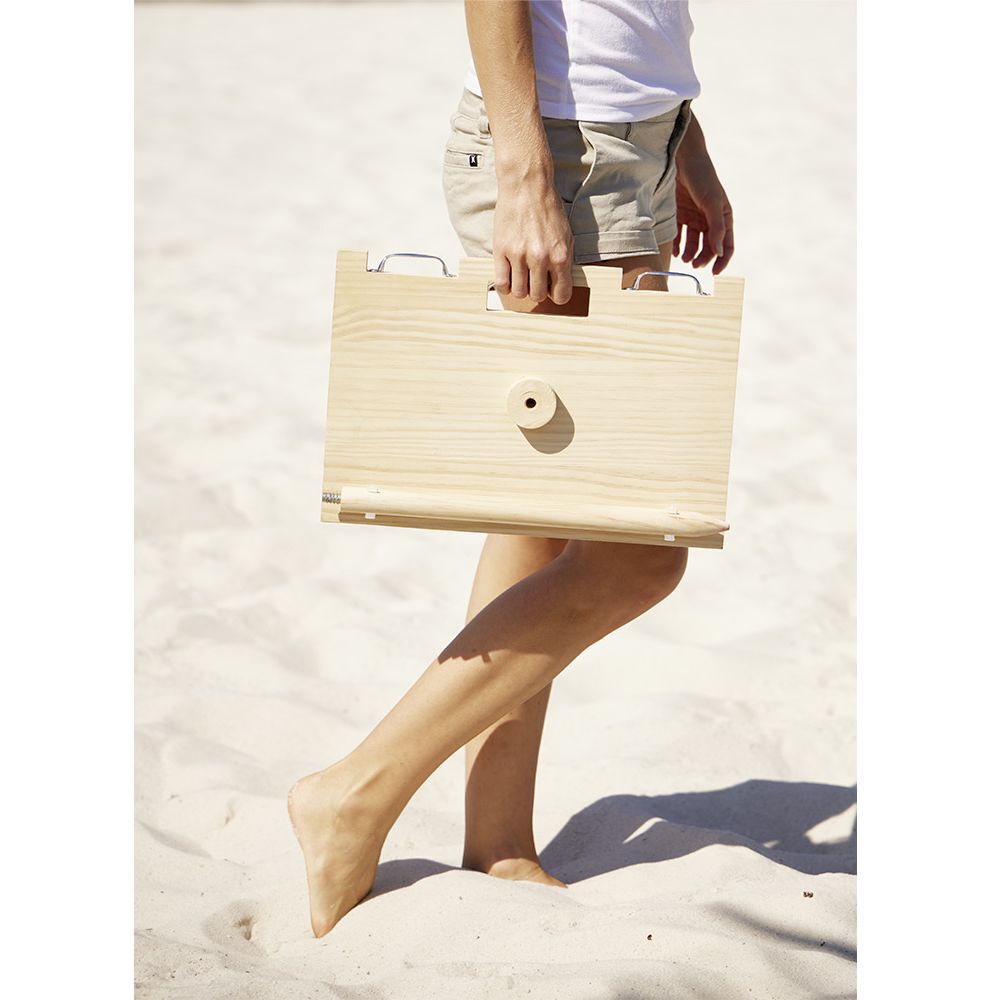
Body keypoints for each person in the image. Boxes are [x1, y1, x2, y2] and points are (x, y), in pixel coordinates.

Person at [289, 0, 735, 939]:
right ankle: (353, 794)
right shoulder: (546, 163)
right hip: (565, 157)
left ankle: (497, 841)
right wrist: (526, 173)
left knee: (536, 517)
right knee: (640, 556)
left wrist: (681, 140)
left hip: (631, 147)